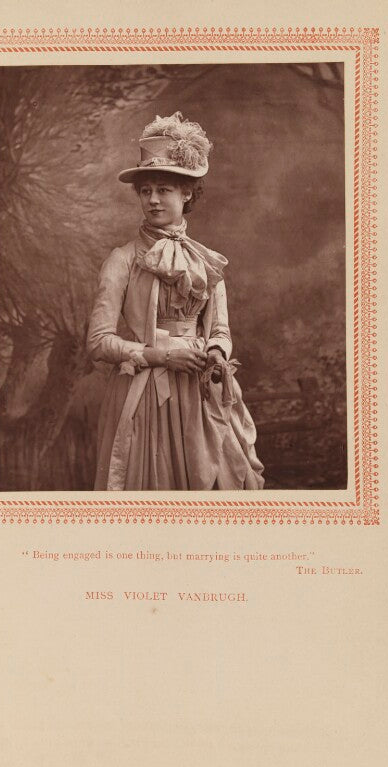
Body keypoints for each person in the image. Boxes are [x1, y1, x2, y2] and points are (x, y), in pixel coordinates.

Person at [87, 111, 264, 490]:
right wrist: (163, 356)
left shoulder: (207, 262)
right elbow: (99, 342)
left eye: (164, 190)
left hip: (200, 392)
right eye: (145, 191)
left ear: (187, 193)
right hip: (146, 394)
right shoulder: (122, 260)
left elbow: (220, 330)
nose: (153, 200)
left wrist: (215, 353)